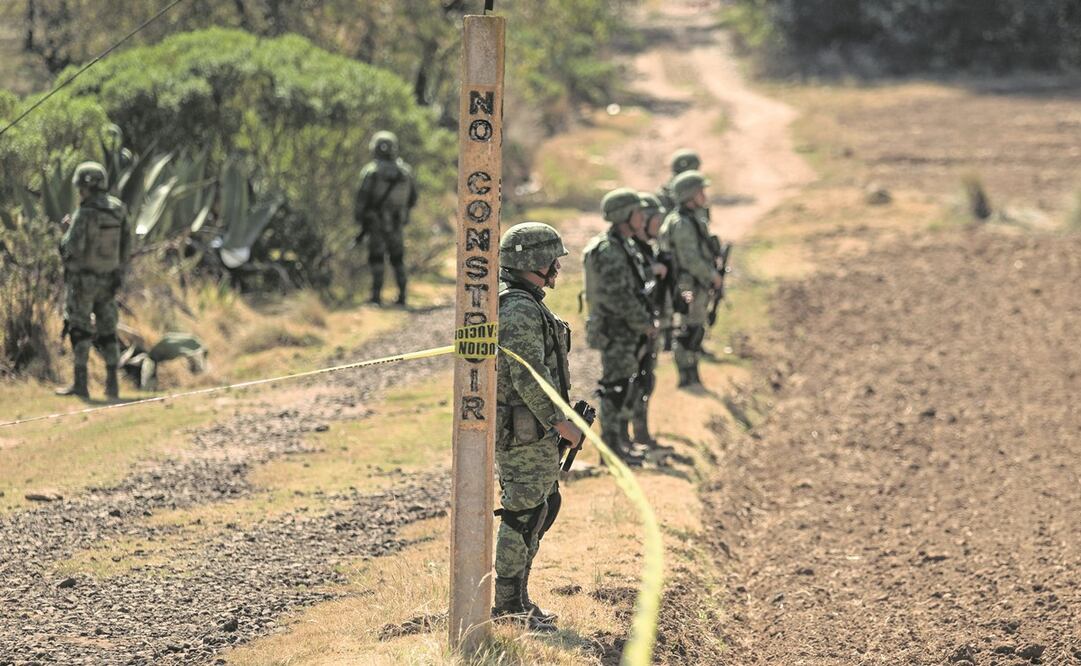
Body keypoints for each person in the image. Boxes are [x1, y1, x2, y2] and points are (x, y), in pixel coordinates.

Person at [494, 222, 583, 631]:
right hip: (524, 432)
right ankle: (508, 606)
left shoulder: (530, 302)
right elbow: (528, 375)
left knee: (543, 508)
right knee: (524, 514)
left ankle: (520, 598)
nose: (556, 268)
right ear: (530, 261)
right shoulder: (517, 308)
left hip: (535, 431)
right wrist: (560, 422)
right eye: (551, 259)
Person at [582, 188, 656, 465]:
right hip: (616, 330)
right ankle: (612, 450)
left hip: (627, 329)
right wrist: (644, 323)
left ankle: (621, 443)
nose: (643, 217)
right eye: (638, 212)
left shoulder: (626, 244)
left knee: (626, 385)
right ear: (624, 215)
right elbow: (619, 297)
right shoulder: (610, 250)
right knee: (615, 389)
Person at [55, 161, 131, 400]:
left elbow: (71, 247)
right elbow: (127, 246)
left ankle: (81, 384)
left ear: (85, 187)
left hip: (82, 283)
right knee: (108, 331)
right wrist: (118, 272)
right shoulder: (118, 209)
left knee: (80, 330)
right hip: (108, 281)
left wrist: (65, 232)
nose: (79, 193)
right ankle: (112, 384)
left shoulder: (85, 212)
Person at [659, 170, 721, 388]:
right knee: (688, 330)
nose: (704, 195)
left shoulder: (691, 219)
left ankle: (692, 374)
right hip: (688, 285)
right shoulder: (683, 223)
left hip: (694, 283)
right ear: (689, 195)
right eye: (700, 191)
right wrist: (711, 275)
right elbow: (689, 259)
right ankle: (686, 377)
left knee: (696, 328)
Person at [354, 130, 417, 306]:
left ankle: (376, 297)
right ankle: (402, 297)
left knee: (376, 259)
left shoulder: (371, 171)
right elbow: (413, 199)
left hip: (376, 224)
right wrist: (402, 214)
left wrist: (362, 219)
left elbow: (362, 199)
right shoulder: (405, 171)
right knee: (398, 259)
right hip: (397, 224)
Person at [628, 192, 671, 448]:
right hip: (632, 329)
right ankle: (625, 439)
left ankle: (641, 434)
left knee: (646, 381)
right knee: (628, 385)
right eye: (655, 219)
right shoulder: (631, 251)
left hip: (648, 326)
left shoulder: (648, 249)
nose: (659, 224)